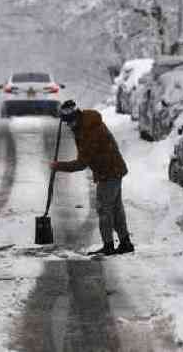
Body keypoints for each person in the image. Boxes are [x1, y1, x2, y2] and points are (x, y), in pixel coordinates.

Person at [50, 99, 134, 256]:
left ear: (75, 118)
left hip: (108, 171)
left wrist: (58, 166)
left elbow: (82, 163)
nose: (68, 126)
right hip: (112, 169)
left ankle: (109, 245)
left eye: (69, 123)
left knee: (104, 209)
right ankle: (125, 243)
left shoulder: (88, 131)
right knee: (115, 209)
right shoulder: (85, 124)